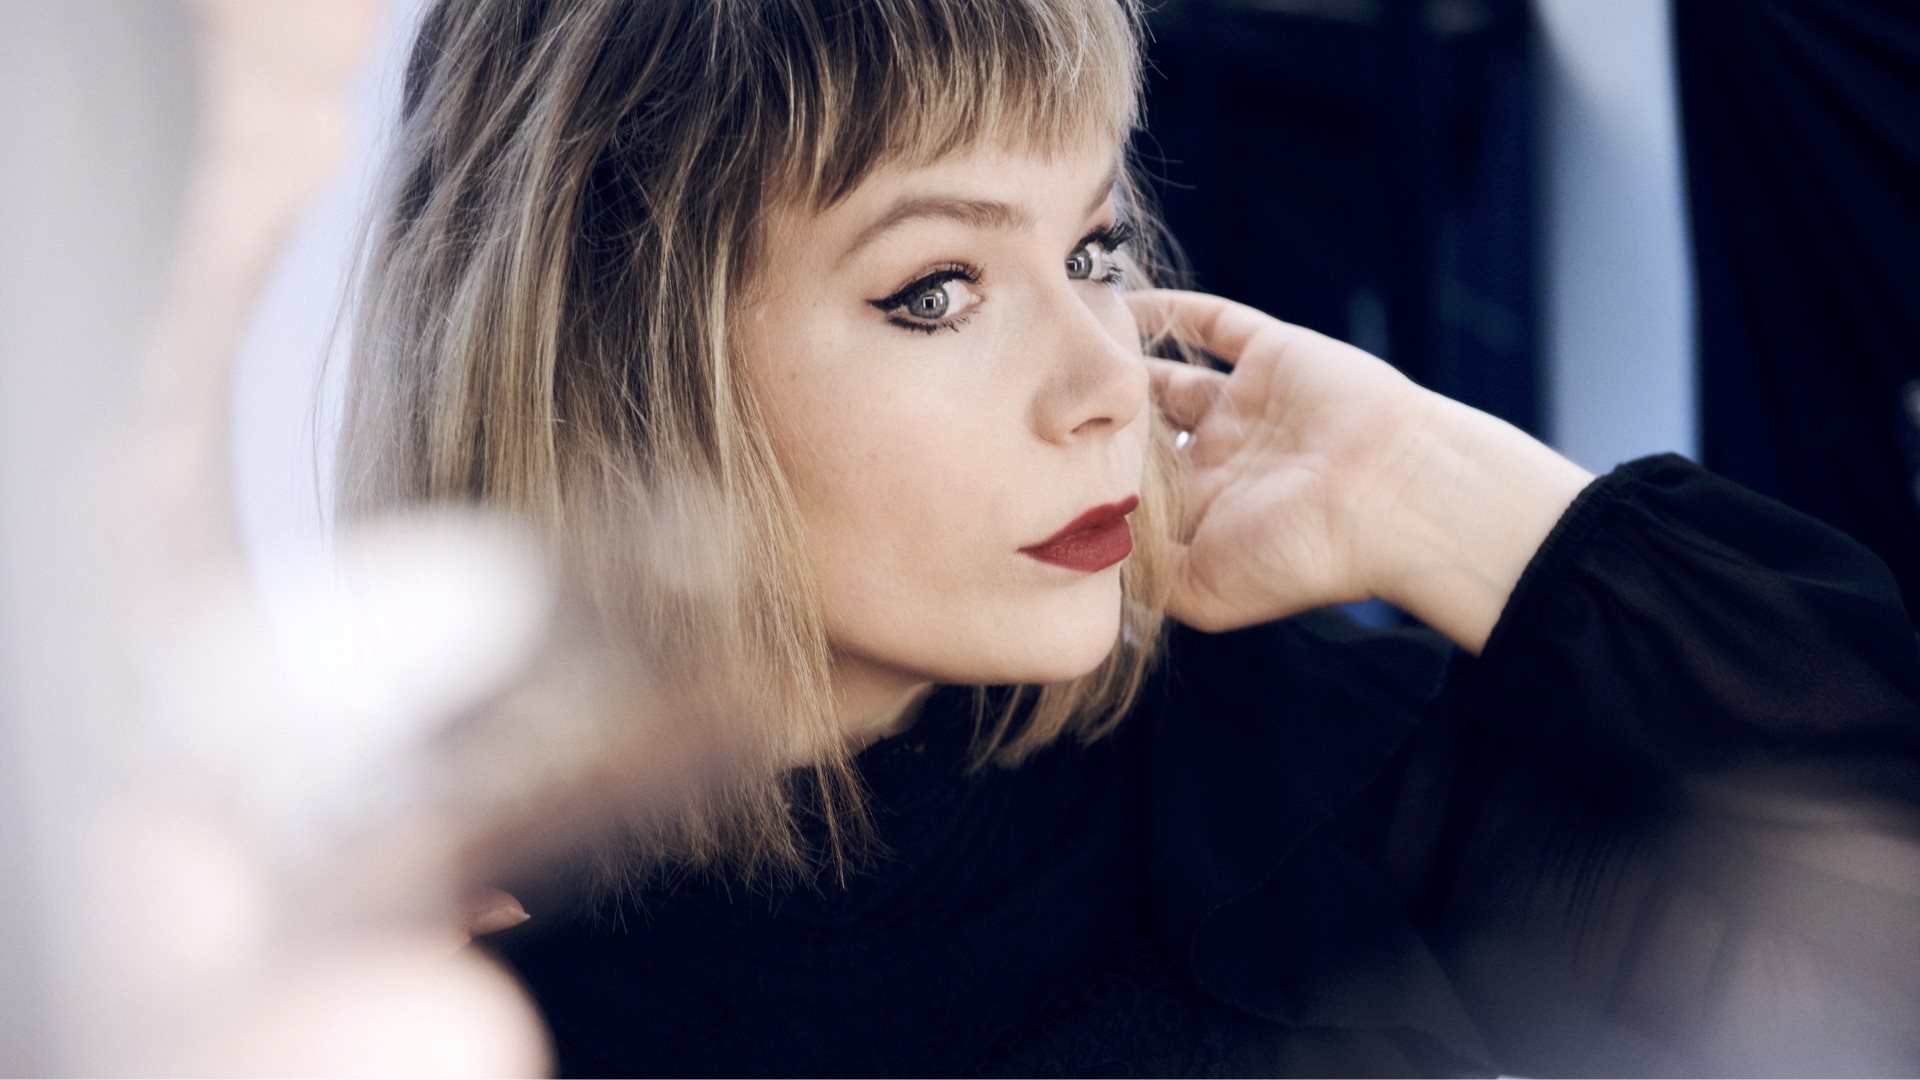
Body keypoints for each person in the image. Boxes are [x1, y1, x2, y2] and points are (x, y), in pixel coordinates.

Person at [335, 0, 1920, 1075]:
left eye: (1093, 246)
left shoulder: (1284, 772)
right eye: (936, 290)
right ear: (621, 372)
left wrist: (1435, 488)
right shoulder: (415, 1007)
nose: (1107, 378)